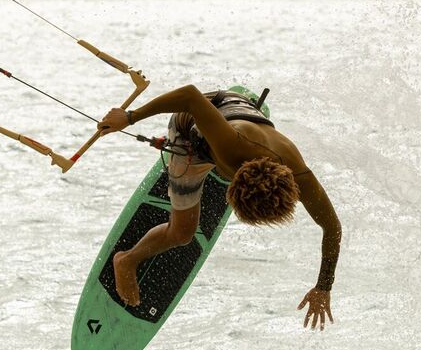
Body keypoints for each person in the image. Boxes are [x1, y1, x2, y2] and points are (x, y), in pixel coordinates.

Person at [97, 85, 341, 330]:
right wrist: (130, 117)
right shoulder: (231, 146)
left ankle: (208, 174)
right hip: (191, 132)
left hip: (241, 113)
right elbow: (190, 96)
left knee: (219, 161)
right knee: (182, 233)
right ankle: (127, 260)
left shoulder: (302, 178)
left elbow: (332, 228)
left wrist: (324, 286)